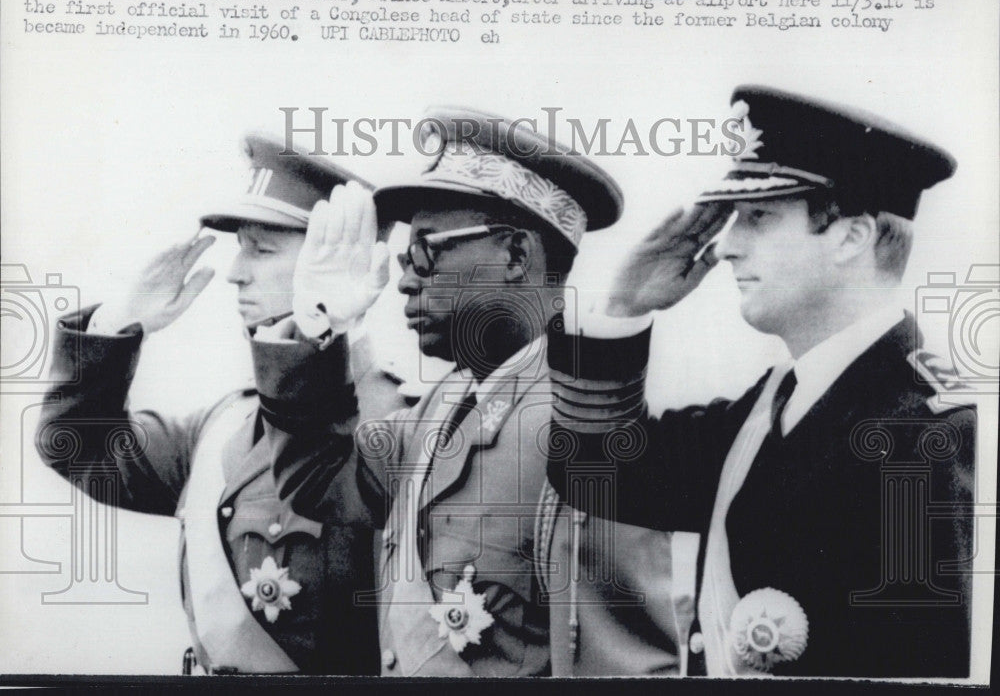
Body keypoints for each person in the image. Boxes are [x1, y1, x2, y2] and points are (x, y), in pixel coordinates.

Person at [544, 86, 976, 678]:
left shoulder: (930, 431)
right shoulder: (772, 403)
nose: (726, 247)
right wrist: (624, 308)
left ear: (852, 237)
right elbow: (596, 472)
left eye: (759, 217)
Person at [35, 133, 406, 675]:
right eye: (240, 249)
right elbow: (78, 447)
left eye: (262, 249)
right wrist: (114, 328)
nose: (235, 273)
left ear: (341, 261)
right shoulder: (223, 425)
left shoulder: (402, 421)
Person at [273, 107, 624, 676]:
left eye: (428, 250)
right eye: (405, 256)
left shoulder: (587, 423)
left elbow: (615, 664)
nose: (406, 279)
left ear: (516, 254)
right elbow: (321, 481)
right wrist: (319, 329)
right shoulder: (445, 404)